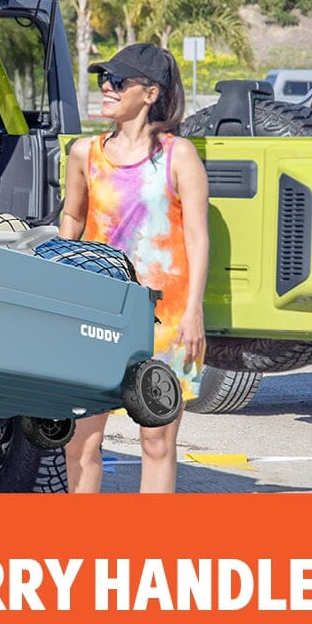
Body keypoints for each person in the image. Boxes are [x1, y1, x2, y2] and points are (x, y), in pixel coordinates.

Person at [60, 45, 208, 496]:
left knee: (156, 443)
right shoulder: (85, 153)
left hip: (164, 323)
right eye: (104, 77)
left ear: (149, 93)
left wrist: (194, 314)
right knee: (80, 443)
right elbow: (72, 221)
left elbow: (198, 238)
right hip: (95, 315)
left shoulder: (179, 156)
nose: (107, 86)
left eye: (118, 80)